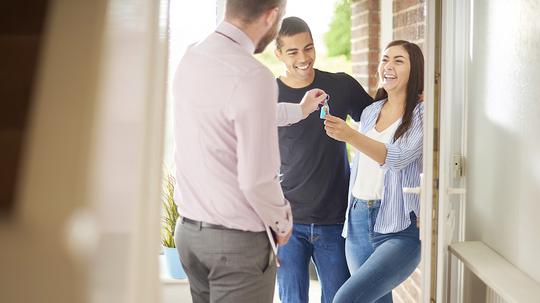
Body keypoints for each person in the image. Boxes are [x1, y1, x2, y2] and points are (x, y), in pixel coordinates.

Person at [172, 1, 327, 303]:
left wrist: (300, 110)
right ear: (271, 15)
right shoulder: (253, 75)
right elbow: (257, 180)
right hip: (235, 245)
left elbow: (240, 110)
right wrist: (281, 221)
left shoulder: (193, 55)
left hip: (190, 234)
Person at [273, 16, 373, 303]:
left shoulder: (340, 86)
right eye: (292, 52)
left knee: (339, 299)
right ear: (279, 54)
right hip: (287, 224)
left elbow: (379, 120)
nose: (303, 58)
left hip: (335, 221)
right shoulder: (268, 95)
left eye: (308, 48)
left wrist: (411, 94)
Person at [324, 40, 424, 303]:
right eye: (385, 59)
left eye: (398, 61)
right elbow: (362, 164)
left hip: (399, 227)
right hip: (357, 221)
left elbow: (399, 158)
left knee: (345, 298)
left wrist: (350, 136)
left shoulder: (422, 113)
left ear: (415, 71)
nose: (388, 66)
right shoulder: (370, 111)